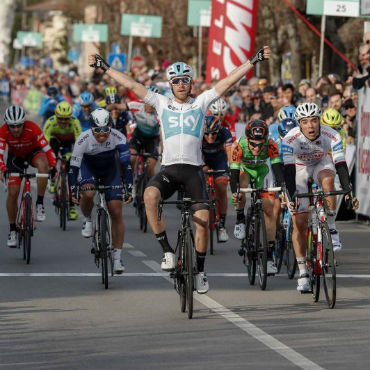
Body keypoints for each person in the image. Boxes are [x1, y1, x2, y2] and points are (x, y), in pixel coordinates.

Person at [88, 46, 271, 294]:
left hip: (194, 170)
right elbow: (132, 83)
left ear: (191, 83)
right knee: (149, 196)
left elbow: (229, 80)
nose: (181, 85)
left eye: (185, 80)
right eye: (176, 81)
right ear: (170, 85)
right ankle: (167, 251)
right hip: (170, 170)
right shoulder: (161, 103)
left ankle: (201, 272)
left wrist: (253, 60)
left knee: (203, 221)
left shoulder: (202, 102)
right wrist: (105, 67)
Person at [282, 102, 359, 292]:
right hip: (298, 169)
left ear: (319, 121)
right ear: (299, 123)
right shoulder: (290, 138)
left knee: (328, 182)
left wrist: (348, 191)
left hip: (321, 163)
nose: (310, 126)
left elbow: (341, 165)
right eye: (305, 122)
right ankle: (302, 273)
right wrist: (291, 197)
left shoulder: (331, 135)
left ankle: (331, 228)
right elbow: (288, 172)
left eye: (314, 121)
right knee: (299, 222)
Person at [69, 108, 133, 274]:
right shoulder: (83, 139)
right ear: (91, 128)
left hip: (110, 172)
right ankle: (88, 218)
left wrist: (129, 186)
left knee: (116, 211)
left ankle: (118, 258)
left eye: (106, 129)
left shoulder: (118, 137)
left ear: (110, 127)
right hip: (89, 169)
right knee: (88, 193)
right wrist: (74, 189)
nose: (102, 133)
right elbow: (73, 168)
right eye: (98, 129)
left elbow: (126, 165)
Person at [229, 119, 285, 274]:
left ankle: (269, 257)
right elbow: (233, 175)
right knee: (242, 187)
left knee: (269, 209)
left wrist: (284, 189)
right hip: (244, 171)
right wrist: (235, 193)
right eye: (253, 144)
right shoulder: (238, 145)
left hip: (262, 172)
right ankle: (240, 219)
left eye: (261, 145)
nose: (256, 148)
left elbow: (277, 169)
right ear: (248, 140)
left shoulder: (271, 144)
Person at [0, 105, 57, 247]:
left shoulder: (33, 128)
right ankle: (13, 229)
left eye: (19, 125)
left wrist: (53, 166)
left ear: (24, 123)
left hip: (33, 153)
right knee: (13, 193)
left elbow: (47, 149)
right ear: (8, 125)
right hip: (15, 159)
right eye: (12, 126)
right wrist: (3, 168)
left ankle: (39, 203)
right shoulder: (3, 131)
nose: (16, 129)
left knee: (43, 164)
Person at [43, 101, 82, 220]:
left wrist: (74, 155)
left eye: (66, 119)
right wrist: (50, 160)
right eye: (61, 118)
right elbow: (45, 142)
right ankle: (53, 178)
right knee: (52, 147)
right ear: (56, 115)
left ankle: (71, 207)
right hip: (55, 142)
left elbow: (80, 141)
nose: (64, 122)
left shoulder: (75, 121)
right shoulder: (50, 122)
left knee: (71, 173)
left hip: (69, 144)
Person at [202, 115, 233, 242]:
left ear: (218, 131)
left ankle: (221, 225)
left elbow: (230, 154)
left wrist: (232, 170)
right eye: (207, 134)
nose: (210, 137)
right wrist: (203, 167)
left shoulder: (225, 133)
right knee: (200, 185)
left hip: (219, 161)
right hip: (203, 160)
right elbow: (195, 154)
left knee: (221, 188)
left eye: (213, 134)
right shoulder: (198, 134)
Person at [127, 86, 160, 178]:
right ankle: (131, 181)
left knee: (150, 166)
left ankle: (151, 186)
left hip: (152, 139)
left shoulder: (160, 111)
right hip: (138, 135)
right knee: (132, 157)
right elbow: (120, 108)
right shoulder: (137, 105)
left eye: (153, 103)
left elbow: (163, 133)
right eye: (148, 102)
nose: (150, 105)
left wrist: (164, 149)